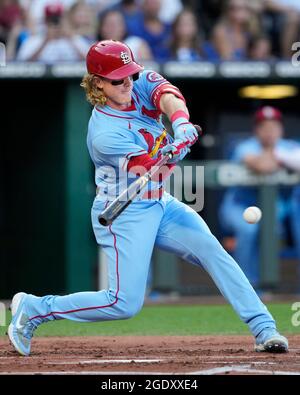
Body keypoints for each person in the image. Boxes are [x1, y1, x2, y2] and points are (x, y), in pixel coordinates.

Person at [8, 40, 288, 357]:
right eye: (118, 79)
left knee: (212, 250)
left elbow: (168, 96)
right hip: (126, 211)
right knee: (122, 303)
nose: (128, 82)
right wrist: (173, 153)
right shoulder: (104, 134)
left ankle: (263, 327)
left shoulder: (136, 84)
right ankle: (35, 308)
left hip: (160, 203)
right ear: (98, 83)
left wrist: (180, 124)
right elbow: (149, 171)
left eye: (129, 75)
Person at [219, 106, 300, 289]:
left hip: (272, 206)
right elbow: (263, 165)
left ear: (281, 129)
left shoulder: (289, 145)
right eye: (265, 127)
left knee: (274, 229)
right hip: (239, 205)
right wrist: (281, 156)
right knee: (248, 231)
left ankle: (269, 283)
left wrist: (280, 155)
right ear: (257, 130)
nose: (270, 131)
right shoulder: (245, 146)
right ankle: (245, 285)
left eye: (274, 126)